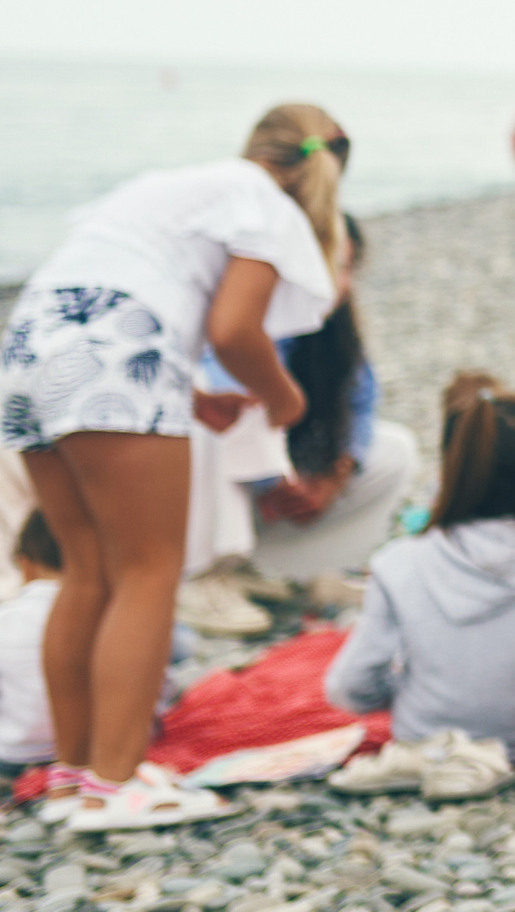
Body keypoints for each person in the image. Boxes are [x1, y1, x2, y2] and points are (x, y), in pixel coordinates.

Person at [2, 104, 340, 830]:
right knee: (149, 570)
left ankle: (73, 774)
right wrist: (286, 399)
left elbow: (105, 294)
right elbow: (233, 329)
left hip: (28, 348)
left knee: (85, 570)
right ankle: (119, 782)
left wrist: (191, 396)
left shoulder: (169, 186)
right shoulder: (264, 201)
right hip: (118, 361)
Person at [326, 373, 515, 800]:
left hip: (420, 744)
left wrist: (407, 693)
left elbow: (349, 687)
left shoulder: (398, 563)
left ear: (451, 466)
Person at [184, 216, 420, 627]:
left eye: (345, 268)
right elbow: (233, 405)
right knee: (221, 416)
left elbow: (363, 403)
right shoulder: (243, 315)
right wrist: (274, 480)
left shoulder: (334, 332)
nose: (333, 281)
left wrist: (334, 475)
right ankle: (203, 579)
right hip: (209, 490)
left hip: (275, 498)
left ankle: (289, 569)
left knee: (395, 450)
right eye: (325, 263)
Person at [0, 513, 63, 777]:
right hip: (88, 754)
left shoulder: (7, 616)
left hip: (12, 756)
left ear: (24, 564)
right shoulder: (109, 614)